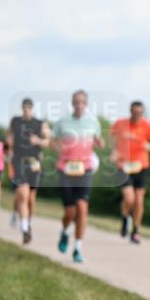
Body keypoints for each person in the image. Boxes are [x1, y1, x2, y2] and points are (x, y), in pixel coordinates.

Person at [53, 90, 104, 263]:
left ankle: (78, 248)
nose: (79, 105)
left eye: (83, 102)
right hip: (66, 169)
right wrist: (58, 147)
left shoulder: (93, 123)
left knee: (82, 209)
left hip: (85, 169)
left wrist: (100, 142)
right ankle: (65, 232)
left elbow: (98, 139)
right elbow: (53, 140)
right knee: (70, 211)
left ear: (86, 104)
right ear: (72, 103)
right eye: (77, 102)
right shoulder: (62, 122)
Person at [110, 101, 150, 244]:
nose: (137, 115)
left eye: (140, 112)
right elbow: (113, 139)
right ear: (130, 111)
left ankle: (136, 231)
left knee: (139, 200)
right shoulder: (120, 124)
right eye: (134, 112)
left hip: (141, 166)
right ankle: (125, 216)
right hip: (124, 165)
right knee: (129, 198)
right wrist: (114, 152)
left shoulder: (148, 125)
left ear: (143, 113)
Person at [8, 98, 50, 244]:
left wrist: (38, 141)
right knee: (23, 194)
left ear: (32, 109)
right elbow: (9, 136)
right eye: (24, 108)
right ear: (21, 108)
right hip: (19, 162)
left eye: (29, 108)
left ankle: (27, 222)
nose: (26, 110)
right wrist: (10, 148)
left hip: (34, 163)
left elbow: (48, 141)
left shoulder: (40, 124)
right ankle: (25, 229)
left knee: (31, 199)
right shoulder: (15, 121)